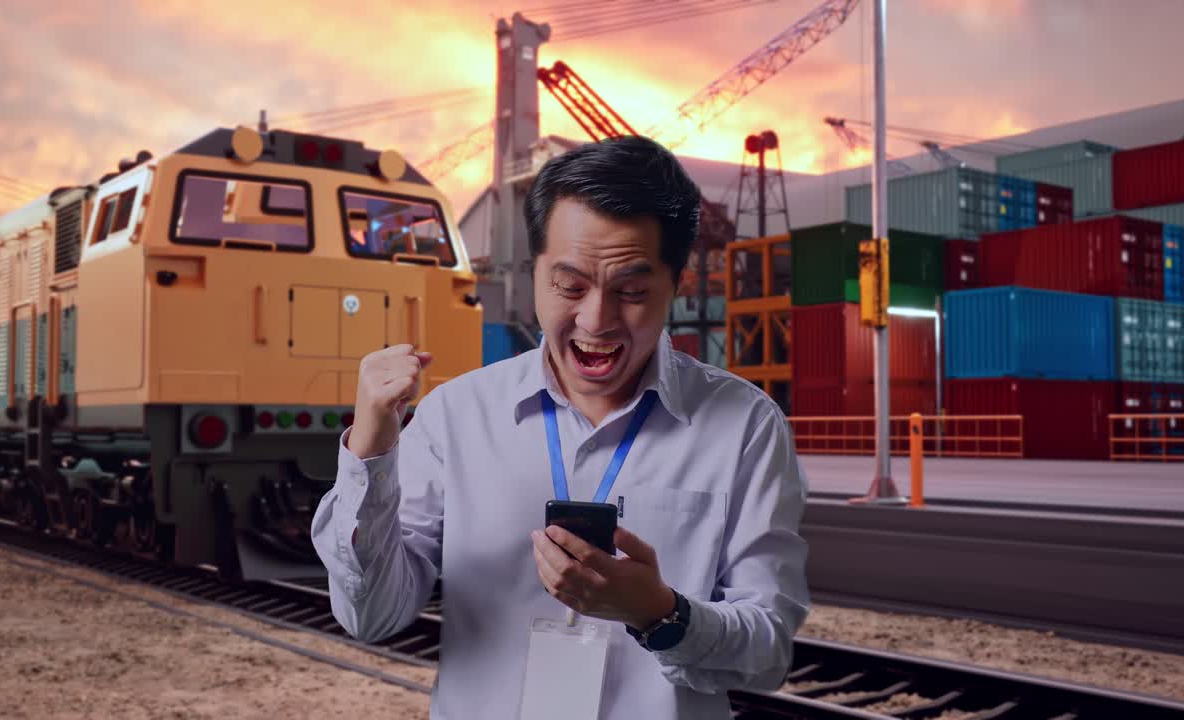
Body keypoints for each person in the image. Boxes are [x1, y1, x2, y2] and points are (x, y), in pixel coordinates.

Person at [310, 135, 810, 720]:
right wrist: (370, 449)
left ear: (677, 283)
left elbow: (770, 649)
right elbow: (371, 617)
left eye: (632, 292)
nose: (595, 320)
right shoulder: (457, 417)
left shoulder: (745, 427)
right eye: (570, 286)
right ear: (534, 274)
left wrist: (662, 614)